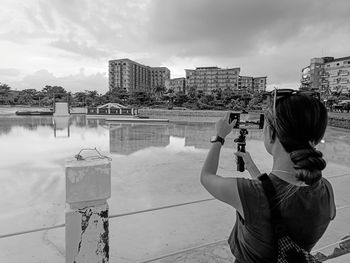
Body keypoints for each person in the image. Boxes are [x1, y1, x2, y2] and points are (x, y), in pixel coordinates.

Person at [200, 90, 336, 263]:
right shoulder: (326, 190)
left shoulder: (249, 194)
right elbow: (276, 198)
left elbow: (206, 176)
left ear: (272, 133)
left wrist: (219, 137)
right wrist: (251, 167)